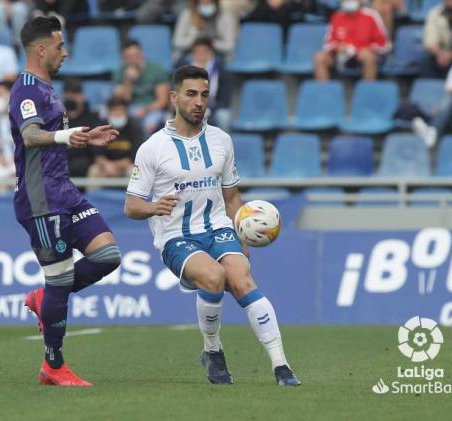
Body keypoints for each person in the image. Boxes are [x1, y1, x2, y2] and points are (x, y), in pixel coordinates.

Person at [124, 65, 301, 387]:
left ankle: (281, 366)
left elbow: (232, 197)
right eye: (191, 94)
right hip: (176, 236)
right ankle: (213, 351)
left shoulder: (221, 141)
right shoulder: (153, 148)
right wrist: (152, 207)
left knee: (242, 279)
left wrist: (244, 231)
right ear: (174, 97)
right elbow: (131, 206)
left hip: (218, 227)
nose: (199, 102)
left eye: (204, 95)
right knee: (214, 277)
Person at [11, 16, 121, 387]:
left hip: (65, 190)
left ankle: (46, 297)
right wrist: (65, 136)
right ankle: (53, 366)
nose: (66, 52)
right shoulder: (26, 90)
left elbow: (54, 135)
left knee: (108, 255)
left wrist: (84, 138)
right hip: (41, 198)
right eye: (60, 46)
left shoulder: (48, 89)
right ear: (41, 49)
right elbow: (30, 136)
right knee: (61, 277)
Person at [313, 0, 389, 81]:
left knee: (368, 56)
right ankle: (324, 92)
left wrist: (359, 49)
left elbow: (384, 45)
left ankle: (367, 90)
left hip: (362, 55)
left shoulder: (371, 16)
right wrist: (337, 47)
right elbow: (328, 44)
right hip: (340, 56)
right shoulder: (337, 16)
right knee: (319, 57)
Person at [113, 39, 169, 136]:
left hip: (152, 108)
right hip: (130, 108)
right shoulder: (120, 71)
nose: (134, 59)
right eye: (129, 57)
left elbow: (162, 101)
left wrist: (145, 110)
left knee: (148, 125)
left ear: (142, 53)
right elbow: (121, 101)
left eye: (136, 55)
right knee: (116, 120)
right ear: (124, 58)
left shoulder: (156, 70)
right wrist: (128, 81)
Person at [88, 96, 143, 178]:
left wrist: (115, 166)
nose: (117, 113)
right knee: (93, 170)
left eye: (120, 111)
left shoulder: (134, 128)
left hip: (126, 166)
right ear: (109, 112)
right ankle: (92, 192)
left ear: (126, 112)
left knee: (134, 171)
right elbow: (97, 155)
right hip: (105, 166)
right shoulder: (101, 128)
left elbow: (135, 157)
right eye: (114, 110)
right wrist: (106, 165)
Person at [185, 37, 232, 130]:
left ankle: (225, 144)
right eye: (197, 51)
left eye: (204, 51)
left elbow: (225, 99)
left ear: (211, 52)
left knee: (224, 116)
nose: (200, 55)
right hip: (188, 104)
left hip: (214, 105)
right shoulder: (184, 67)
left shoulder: (221, 69)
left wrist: (210, 108)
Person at [63, 77, 104, 177]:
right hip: (61, 162)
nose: (72, 97)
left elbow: (97, 148)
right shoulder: (57, 117)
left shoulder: (93, 117)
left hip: (85, 163)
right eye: (69, 93)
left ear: (82, 95)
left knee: (93, 169)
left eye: (76, 93)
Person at [172, 0, 238, 61]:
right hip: (190, 54)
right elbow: (177, 42)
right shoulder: (187, 14)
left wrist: (211, 44)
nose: (206, 1)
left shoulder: (225, 16)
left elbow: (230, 45)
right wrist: (194, 41)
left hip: (217, 56)